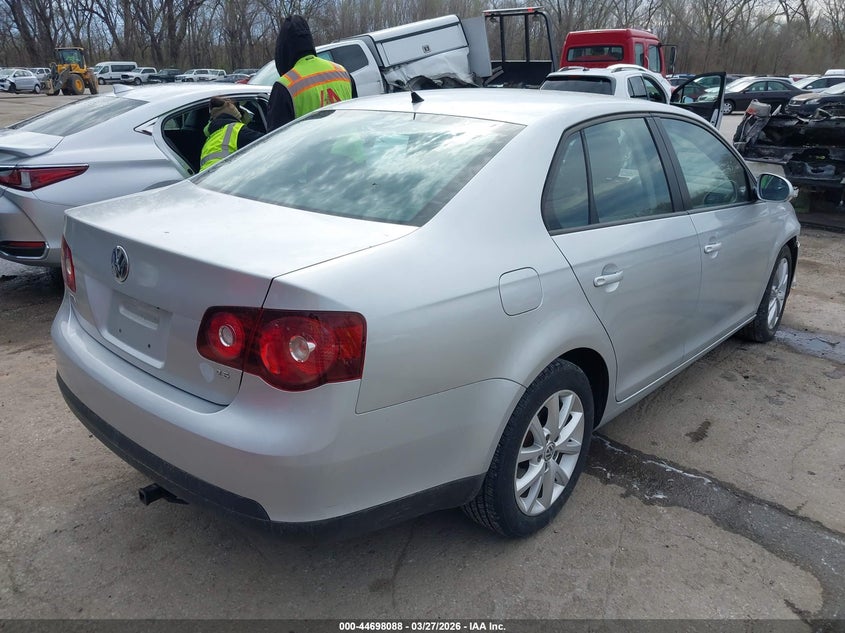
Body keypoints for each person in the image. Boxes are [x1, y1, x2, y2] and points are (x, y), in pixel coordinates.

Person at [267, 15, 356, 131]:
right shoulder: (342, 73)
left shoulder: (285, 86)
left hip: (314, 149)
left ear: (283, 50)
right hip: (352, 146)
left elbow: (275, 141)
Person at [199, 96, 264, 171]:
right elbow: (271, 141)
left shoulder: (210, 139)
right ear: (235, 114)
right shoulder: (237, 130)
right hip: (223, 176)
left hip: (206, 179)